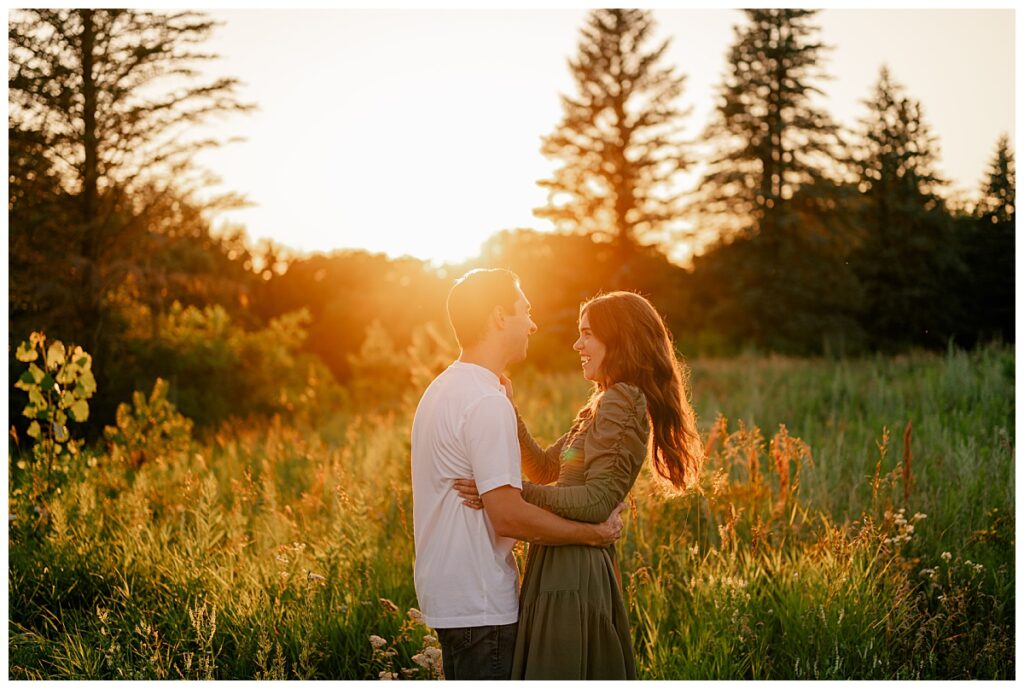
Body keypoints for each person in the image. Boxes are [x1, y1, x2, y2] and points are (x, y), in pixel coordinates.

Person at [454, 290, 704, 679]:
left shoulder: (623, 400)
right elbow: (546, 466)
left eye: (587, 334)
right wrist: (508, 407)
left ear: (618, 339)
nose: (577, 344)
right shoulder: (600, 404)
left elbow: (596, 502)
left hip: (574, 572)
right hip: (559, 562)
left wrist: (504, 494)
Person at [410, 269, 627, 681]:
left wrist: (509, 409)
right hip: (483, 603)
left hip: (450, 598)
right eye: (524, 310)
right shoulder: (483, 401)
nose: (532, 323)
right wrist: (593, 533)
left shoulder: (441, 390)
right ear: (497, 317)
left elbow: (538, 473)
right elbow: (507, 516)